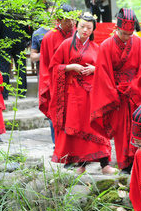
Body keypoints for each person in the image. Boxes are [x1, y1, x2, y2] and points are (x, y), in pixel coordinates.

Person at [48, 13, 115, 174]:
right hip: (74, 94)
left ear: (93, 30)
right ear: (77, 26)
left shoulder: (96, 48)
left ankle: (105, 163)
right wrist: (70, 67)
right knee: (78, 127)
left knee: (97, 126)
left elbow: (106, 70)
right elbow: (54, 67)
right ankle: (80, 164)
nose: (85, 30)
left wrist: (94, 69)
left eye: (89, 28)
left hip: (92, 94)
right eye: (83, 26)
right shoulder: (66, 45)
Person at [90, 8, 141, 174]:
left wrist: (134, 87)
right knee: (122, 130)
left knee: (138, 127)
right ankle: (124, 164)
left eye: (130, 34)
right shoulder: (106, 46)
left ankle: (139, 161)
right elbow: (102, 73)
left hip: (135, 94)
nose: (127, 37)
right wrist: (114, 92)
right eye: (124, 33)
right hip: (117, 95)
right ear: (117, 28)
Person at [38, 4, 75, 144]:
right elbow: (45, 65)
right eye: (67, 20)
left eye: (73, 20)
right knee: (56, 116)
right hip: (55, 83)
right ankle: (58, 147)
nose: (71, 23)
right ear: (59, 20)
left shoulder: (78, 34)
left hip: (75, 83)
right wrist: (48, 85)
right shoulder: (49, 37)